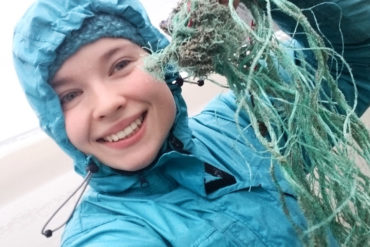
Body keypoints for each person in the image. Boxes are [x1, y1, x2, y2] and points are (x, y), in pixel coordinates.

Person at [12, 0, 369, 246]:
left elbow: (348, 58)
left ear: (161, 60)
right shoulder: (108, 233)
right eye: (70, 96)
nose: (107, 104)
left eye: (120, 65)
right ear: (55, 123)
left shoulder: (239, 124)